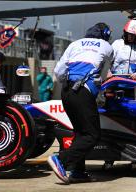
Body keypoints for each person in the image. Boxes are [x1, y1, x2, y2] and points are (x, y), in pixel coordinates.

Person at [47, 23, 113, 184]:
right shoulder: (107, 46)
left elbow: (58, 71)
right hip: (83, 92)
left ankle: (78, 171)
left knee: (80, 133)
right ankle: (60, 160)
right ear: (105, 35)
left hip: (67, 91)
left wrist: (70, 82)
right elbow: (104, 76)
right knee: (92, 135)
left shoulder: (74, 44)